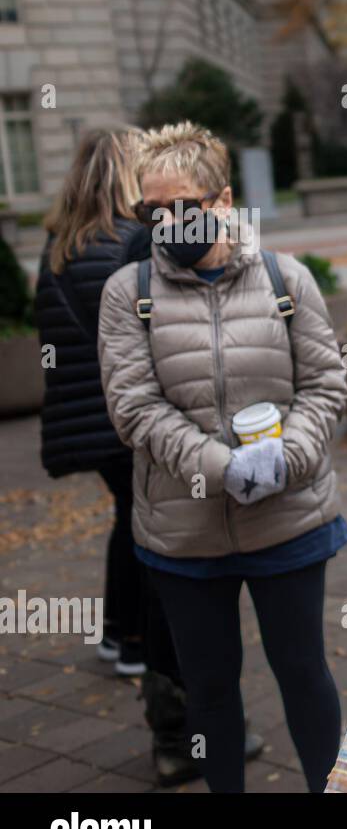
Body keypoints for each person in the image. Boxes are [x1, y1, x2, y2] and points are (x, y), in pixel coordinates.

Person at [98, 121, 347, 793]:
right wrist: (222, 467)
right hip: (183, 533)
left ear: (222, 200)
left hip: (289, 518)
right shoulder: (128, 294)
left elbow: (326, 384)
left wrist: (286, 458)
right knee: (209, 689)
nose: (166, 223)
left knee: (303, 672)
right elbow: (133, 408)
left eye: (182, 208)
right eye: (152, 212)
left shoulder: (282, 277)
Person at [34, 126, 215, 786]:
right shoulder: (130, 243)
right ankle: (171, 709)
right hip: (133, 423)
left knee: (130, 529)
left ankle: (125, 640)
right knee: (159, 554)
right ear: (127, 174)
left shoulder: (59, 247)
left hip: (88, 423)